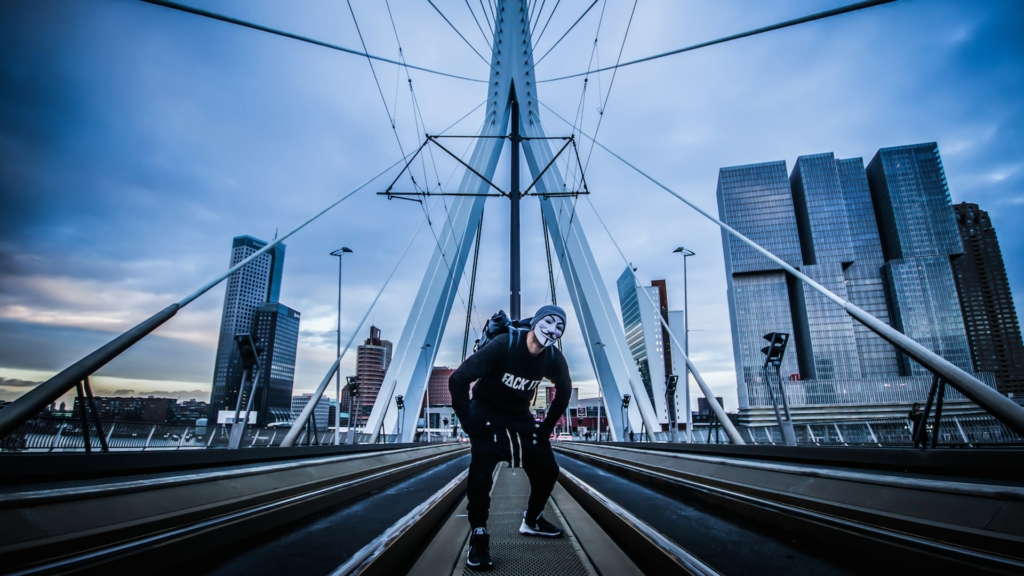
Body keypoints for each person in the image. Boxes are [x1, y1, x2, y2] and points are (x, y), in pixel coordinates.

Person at [449, 305, 571, 571]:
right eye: (549, 322)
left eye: (560, 327)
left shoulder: (552, 358)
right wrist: (469, 424)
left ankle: (532, 519)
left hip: (519, 418)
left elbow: (564, 392)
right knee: (481, 474)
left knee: (548, 468)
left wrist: (546, 429)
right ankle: (479, 535)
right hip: (486, 413)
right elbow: (457, 379)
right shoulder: (506, 344)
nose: (553, 330)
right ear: (536, 322)